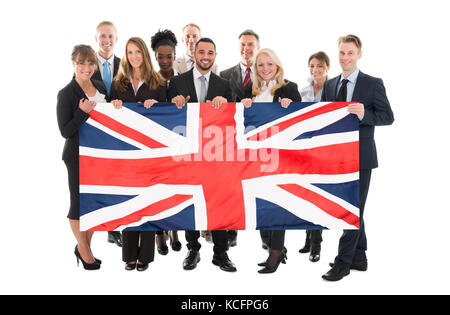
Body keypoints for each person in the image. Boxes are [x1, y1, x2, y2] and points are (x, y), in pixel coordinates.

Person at [321, 35, 394, 281]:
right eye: (342, 53)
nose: (345, 58)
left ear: (359, 54)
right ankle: (359, 257)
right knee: (352, 209)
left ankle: (342, 263)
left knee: (351, 210)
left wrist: (365, 114)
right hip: (337, 157)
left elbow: (388, 116)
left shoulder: (373, 84)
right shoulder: (330, 85)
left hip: (361, 158)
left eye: (350, 53)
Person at [168, 38, 236, 272]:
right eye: (202, 52)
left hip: (215, 155)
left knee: (218, 204)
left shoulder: (223, 83)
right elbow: (168, 117)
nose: (206, 56)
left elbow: (234, 117)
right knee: (190, 202)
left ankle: (221, 253)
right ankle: (192, 249)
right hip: (187, 154)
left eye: (210, 52)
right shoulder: (177, 82)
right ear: (194, 54)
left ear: (215, 55)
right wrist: (173, 102)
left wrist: (225, 103)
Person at [241, 48, 302, 273]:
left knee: (277, 204)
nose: (265, 69)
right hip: (256, 156)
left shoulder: (289, 88)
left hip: (279, 156)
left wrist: (291, 107)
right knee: (261, 204)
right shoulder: (250, 89)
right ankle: (271, 246)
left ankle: (276, 253)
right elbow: (243, 123)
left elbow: (299, 123)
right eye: (260, 65)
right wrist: (243, 106)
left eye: (269, 64)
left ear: (277, 66)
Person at [110, 37, 167, 271]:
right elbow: (110, 119)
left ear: (145, 54)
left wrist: (158, 106)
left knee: (148, 204)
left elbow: (167, 121)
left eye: (138, 52)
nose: (134, 56)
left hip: (151, 154)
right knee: (129, 203)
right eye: (130, 52)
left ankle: (145, 256)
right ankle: (129, 256)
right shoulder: (119, 83)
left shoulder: (159, 83)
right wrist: (113, 105)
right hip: (126, 154)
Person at [57, 45, 107, 270]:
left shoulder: (100, 86)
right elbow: (65, 131)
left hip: (100, 154)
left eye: (90, 63)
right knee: (78, 203)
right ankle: (84, 250)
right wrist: (82, 112)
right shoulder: (66, 93)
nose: (86, 68)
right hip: (77, 156)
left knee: (94, 203)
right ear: (73, 64)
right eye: (81, 63)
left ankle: (84, 245)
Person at [220, 29, 261, 248]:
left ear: (258, 47)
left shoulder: (267, 73)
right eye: (243, 45)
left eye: (251, 44)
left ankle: (267, 237)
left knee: (261, 181)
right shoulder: (225, 75)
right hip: (232, 138)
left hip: (260, 138)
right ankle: (231, 230)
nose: (246, 49)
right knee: (232, 185)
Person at [150, 29, 182, 255]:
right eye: (160, 56)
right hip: (157, 143)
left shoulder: (183, 79)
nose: (164, 61)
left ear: (175, 55)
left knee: (176, 187)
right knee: (157, 189)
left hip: (179, 141)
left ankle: (175, 231)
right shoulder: (150, 78)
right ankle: (159, 233)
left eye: (169, 56)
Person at [298, 51, 330, 262]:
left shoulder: (334, 88)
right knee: (306, 194)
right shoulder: (303, 90)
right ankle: (309, 238)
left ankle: (317, 244)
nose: (315, 70)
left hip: (325, 149)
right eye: (312, 66)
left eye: (319, 66)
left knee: (318, 196)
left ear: (327, 67)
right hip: (306, 148)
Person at [93, 21, 123, 247]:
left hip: (121, 131)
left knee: (120, 179)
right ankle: (107, 227)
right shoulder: (86, 64)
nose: (107, 40)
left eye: (110, 36)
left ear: (116, 38)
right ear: (96, 39)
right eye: (103, 36)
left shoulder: (124, 65)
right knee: (101, 181)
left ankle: (118, 226)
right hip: (96, 131)